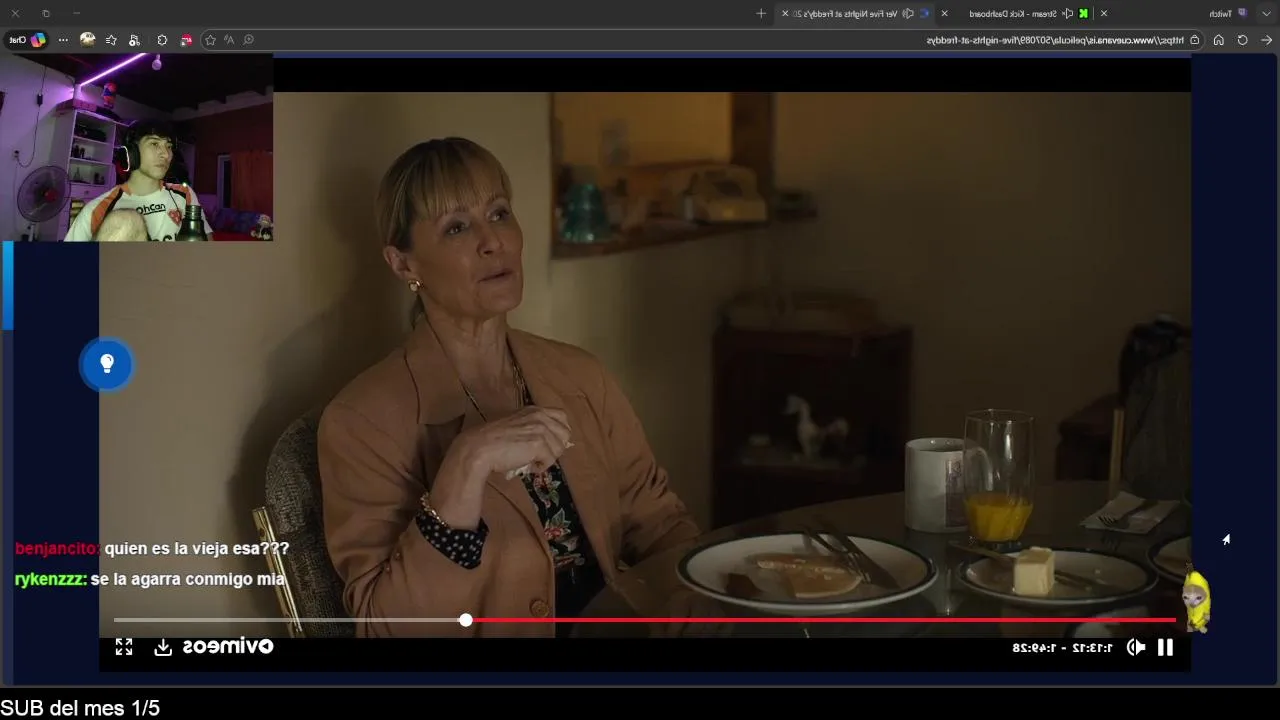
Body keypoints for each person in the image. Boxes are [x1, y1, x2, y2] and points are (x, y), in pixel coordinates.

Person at [318, 138, 701, 638]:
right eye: (457, 227)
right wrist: (466, 464)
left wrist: (693, 607)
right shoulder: (361, 421)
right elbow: (386, 628)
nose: (492, 241)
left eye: (499, 213)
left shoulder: (580, 375)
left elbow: (660, 525)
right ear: (403, 264)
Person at [64, 120, 213, 242]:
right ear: (131, 153)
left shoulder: (185, 195)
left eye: (169, 146)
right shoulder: (97, 209)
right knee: (126, 222)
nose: (166, 154)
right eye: (154, 144)